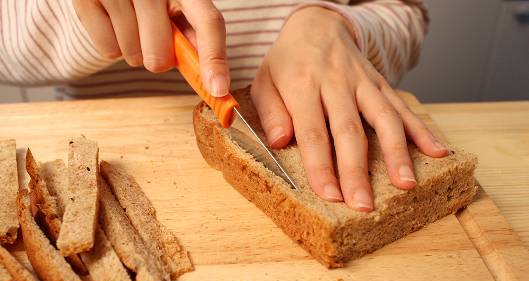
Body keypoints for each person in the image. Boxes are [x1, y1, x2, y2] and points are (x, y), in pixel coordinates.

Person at [0, 0, 448, 212]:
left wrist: (335, 23)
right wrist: (94, 17)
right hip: (118, 143)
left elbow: (407, 12)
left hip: (333, 121)